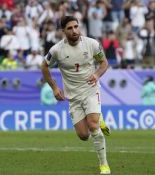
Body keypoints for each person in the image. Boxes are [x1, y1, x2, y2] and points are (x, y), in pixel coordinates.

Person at [40, 16, 111, 174]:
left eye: (76, 27)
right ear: (63, 31)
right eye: (70, 28)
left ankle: (104, 165)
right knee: (84, 135)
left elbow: (104, 63)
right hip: (73, 97)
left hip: (91, 90)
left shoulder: (92, 44)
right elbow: (44, 66)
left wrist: (97, 75)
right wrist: (54, 87)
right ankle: (98, 117)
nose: (74, 31)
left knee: (92, 126)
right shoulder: (56, 50)